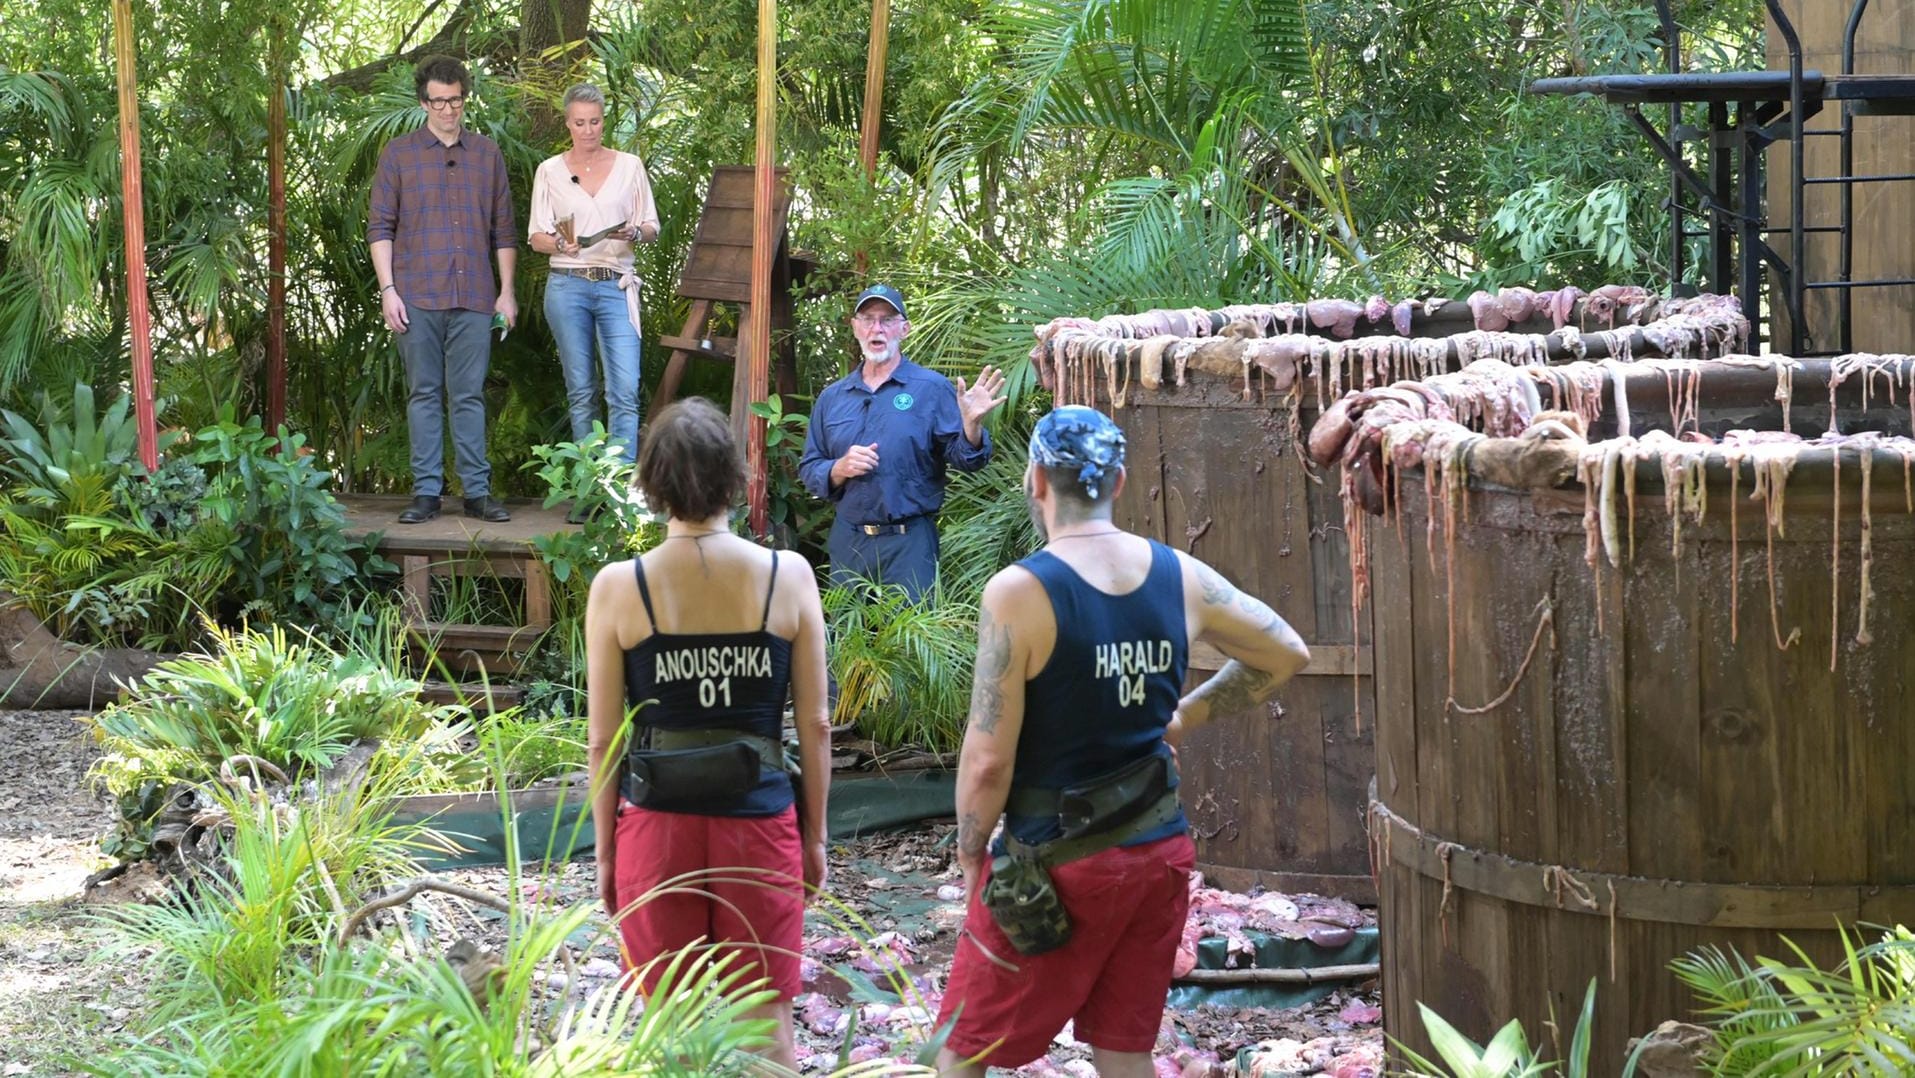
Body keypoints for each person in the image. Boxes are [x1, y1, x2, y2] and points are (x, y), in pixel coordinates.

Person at [934, 406, 1311, 1077]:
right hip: (1154, 854)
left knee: (963, 1051)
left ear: (1037, 480)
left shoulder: (1018, 592)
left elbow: (988, 757)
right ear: (1120, 482)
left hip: (1053, 863)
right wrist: (1182, 718)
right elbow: (1284, 652)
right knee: (1123, 1049)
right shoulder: (1179, 575)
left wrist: (969, 856)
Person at [584, 397, 830, 1072]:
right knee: (766, 1028)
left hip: (655, 828)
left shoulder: (617, 587)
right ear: (735, 476)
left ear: (652, 481)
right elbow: (814, 723)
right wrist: (814, 835)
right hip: (759, 821)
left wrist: (606, 853)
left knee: (670, 1030)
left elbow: (603, 740)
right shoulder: (788, 576)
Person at [368, 54, 518, 524]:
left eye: (455, 101)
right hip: (416, 295)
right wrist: (388, 290)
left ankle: (477, 493)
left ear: (464, 99)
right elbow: (380, 228)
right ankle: (426, 494)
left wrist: (507, 291)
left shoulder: (487, 154)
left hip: (475, 295)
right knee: (424, 394)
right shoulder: (399, 154)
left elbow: (504, 231)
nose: (447, 110)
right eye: (438, 101)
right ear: (423, 102)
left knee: (470, 395)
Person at [797, 283, 1006, 601]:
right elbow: (810, 468)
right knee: (848, 645)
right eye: (868, 318)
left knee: (910, 647)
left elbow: (968, 459)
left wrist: (972, 427)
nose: (876, 328)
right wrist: (838, 468)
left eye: (887, 319)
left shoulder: (931, 388)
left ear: (904, 329)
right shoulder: (832, 398)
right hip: (849, 542)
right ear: (856, 328)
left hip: (910, 545)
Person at [527, 83, 661, 473]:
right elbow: (536, 236)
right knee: (581, 391)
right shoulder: (549, 171)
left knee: (624, 389)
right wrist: (558, 244)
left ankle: (619, 488)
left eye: (595, 122)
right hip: (568, 284)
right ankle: (587, 485)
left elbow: (652, 226)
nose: (588, 130)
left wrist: (635, 232)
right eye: (580, 123)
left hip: (616, 283)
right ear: (567, 124)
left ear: (605, 122)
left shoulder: (630, 166)